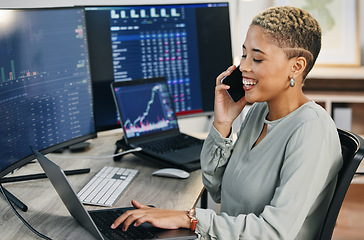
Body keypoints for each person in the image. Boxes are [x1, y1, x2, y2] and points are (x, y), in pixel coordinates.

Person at [111, 6, 343, 239]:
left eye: (258, 58)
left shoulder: (311, 131)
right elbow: (219, 189)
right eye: (244, 55)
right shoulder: (258, 112)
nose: (243, 67)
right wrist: (223, 123)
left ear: (296, 66)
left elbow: (274, 232)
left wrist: (190, 218)